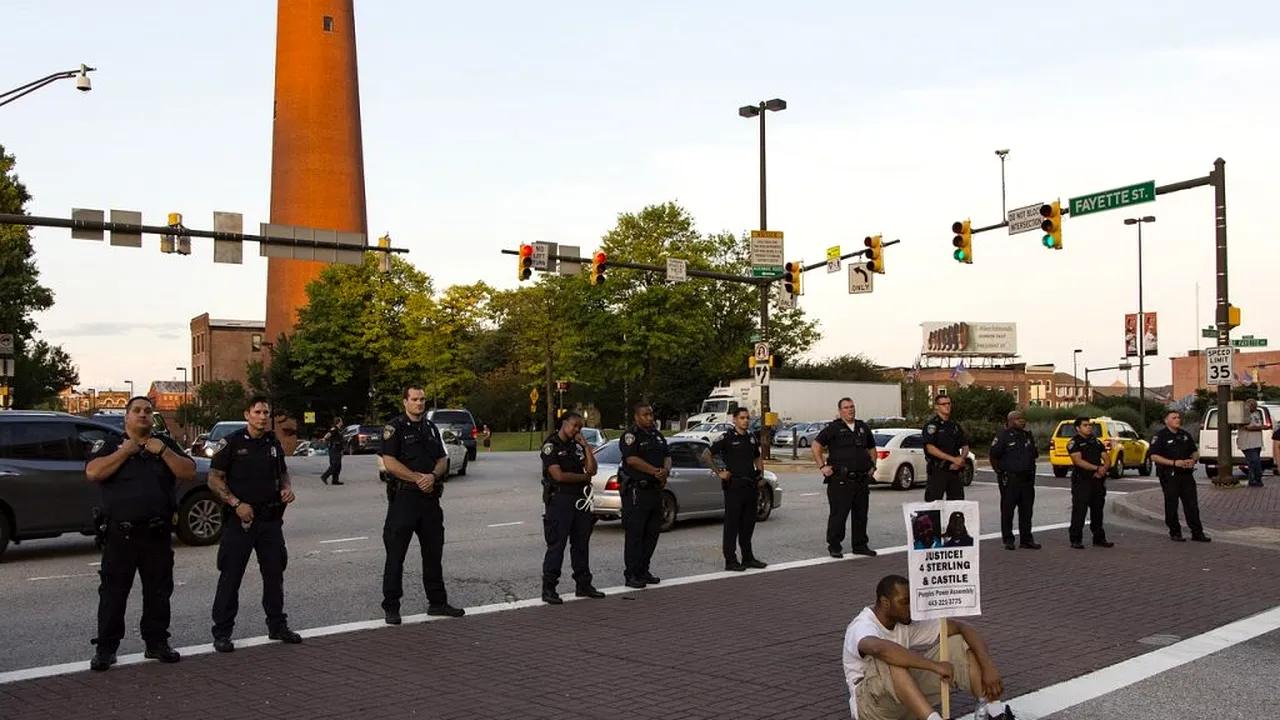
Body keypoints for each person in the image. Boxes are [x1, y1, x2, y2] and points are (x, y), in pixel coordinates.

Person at [85, 396, 194, 671]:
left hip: (156, 533)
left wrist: (163, 452)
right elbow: (93, 472)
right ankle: (106, 649)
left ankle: (156, 643)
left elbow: (189, 471)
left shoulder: (164, 444)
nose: (143, 414)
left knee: (158, 592)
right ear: (127, 417)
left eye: (148, 410)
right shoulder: (112, 445)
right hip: (120, 535)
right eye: (137, 410)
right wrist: (125, 452)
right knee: (113, 593)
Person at [843, 574, 1013, 720]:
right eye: (905, 602)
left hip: (901, 701)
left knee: (958, 643)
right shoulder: (862, 625)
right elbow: (880, 649)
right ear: (885, 602)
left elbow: (963, 627)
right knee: (892, 659)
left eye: (912, 601)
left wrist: (988, 666)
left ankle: (994, 711)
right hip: (870, 708)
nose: (911, 608)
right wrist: (934, 666)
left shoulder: (904, 622)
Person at [206, 396, 302, 652]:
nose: (262, 417)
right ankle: (222, 632)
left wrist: (286, 489)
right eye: (257, 412)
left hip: (270, 521)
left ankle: (277, 625)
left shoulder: (273, 443)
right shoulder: (232, 443)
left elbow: (282, 473)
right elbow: (214, 480)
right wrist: (236, 504)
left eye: (266, 412)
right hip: (241, 522)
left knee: (274, 574)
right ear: (247, 414)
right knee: (230, 576)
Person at [379, 386, 465, 624]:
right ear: (405, 401)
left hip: (429, 500)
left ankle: (437, 603)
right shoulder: (394, 428)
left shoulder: (430, 428)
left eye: (422, 399)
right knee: (396, 556)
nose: (419, 403)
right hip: (404, 499)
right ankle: (392, 606)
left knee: (433, 553)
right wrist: (418, 478)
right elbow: (389, 461)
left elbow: (442, 458)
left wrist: (433, 476)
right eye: (414, 399)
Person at [539, 411, 606, 604]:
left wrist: (585, 446)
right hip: (560, 501)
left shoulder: (577, 446)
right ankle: (549, 588)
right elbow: (558, 476)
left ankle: (583, 584)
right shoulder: (551, 446)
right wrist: (584, 478)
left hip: (580, 501)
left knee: (581, 545)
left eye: (580, 427)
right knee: (557, 545)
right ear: (564, 423)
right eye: (574, 425)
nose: (577, 429)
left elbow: (592, 469)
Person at [812, 397, 878, 558]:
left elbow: (872, 447)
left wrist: (873, 465)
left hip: (861, 479)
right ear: (840, 411)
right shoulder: (834, 428)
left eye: (852, 407)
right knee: (839, 515)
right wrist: (822, 466)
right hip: (841, 480)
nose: (850, 410)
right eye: (846, 407)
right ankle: (834, 545)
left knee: (861, 515)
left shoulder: (862, 427)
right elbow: (816, 445)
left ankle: (860, 545)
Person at [702, 407, 767, 571]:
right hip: (734, 486)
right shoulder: (727, 438)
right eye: (742, 418)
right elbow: (706, 454)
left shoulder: (751, 438)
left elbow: (757, 457)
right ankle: (730, 560)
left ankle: (748, 557)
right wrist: (719, 472)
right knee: (732, 525)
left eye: (747, 418)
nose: (745, 421)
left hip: (750, 486)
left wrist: (760, 475)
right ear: (735, 419)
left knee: (748, 524)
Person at [618, 402, 671, 588]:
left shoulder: (657, 435)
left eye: (651, 414)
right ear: (636, 417)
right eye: (646, 415)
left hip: (655, 491)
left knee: (652, 533)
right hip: (636, 491)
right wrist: (654, 471)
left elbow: (667, 455)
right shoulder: (631, 436)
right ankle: (631, 573)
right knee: (635, 534)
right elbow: (631, 459)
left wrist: (665, 470)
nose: (650, 418)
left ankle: (643, 569)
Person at [1149, 409, 1210, 542]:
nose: (1178, 419)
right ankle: (1175, 531)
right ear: (1166, 421)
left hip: (1187, 475)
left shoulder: (1185, 435)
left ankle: (1197, 532)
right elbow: (1154, 456)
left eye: (1178, 417)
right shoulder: (1160, 436)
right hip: (1170, 475)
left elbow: (1194, 451)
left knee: (1191, 504)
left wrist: (1192, 460)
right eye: (1174, 417)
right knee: (1172, 504)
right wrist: (1174, 463)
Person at [988, 410, 1040, 550]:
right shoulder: (1003, 436)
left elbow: (1034, 455)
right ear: (1010, 421)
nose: (1022, 421)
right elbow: (993, 456)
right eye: (1018, 419)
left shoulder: (1027, 436)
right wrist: (999, 472)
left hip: (1027, 479)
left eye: (1023, 419)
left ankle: (1026, 539)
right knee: (1008, 510)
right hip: (1010, 479)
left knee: (1026, 510)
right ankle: (1008, 539)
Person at [1066, 417, 1114, 550]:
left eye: (1090, 425)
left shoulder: (1096, 441)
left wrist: (1104, 469)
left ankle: (1099, 538)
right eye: (1085, 425)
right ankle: (1076, 539)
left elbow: (1106, 457)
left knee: (1098, 510)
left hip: (1097, 480)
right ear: (1078, 428)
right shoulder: (1074, 442)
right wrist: (1097, 468)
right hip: (1082, 480)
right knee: (1079, 510)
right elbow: (1078, 461)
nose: (1089, 427)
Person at [922, 395, 969, 501]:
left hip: (954, 471)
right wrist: (953, 459)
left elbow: (965, 446)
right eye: (943, 404)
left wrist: (961, 459)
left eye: (949, 403)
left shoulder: (954, 425)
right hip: (938, 470)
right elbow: (930, 448)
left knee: (957, 505)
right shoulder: (932, 426)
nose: (947, 406)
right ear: (936, 407)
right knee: (933, 505)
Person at [1236, 399, 1265, 487]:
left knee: (1254, 462)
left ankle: (1254, 480)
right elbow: (1248, 427)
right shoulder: (1243, 415)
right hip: (1247, 443)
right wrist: (1260, 427)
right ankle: (1255, 479)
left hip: (1257, 442)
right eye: (1252, 405)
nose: (1254, 407)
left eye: (1255, 405)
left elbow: (1258, 425)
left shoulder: (1256, 414)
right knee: (1254, 461)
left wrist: (1261, 427)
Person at [320, 416, 345, 485]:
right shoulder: (334, 429)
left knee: (338, 466)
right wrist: (325, 439)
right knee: (335, 465)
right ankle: (324, 476)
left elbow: (340, 441)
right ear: (339, 422)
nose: (342, 422)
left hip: (338, 449)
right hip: (334, 449)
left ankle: (335, 480)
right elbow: (328, 434)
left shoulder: (339, 429)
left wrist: (342, 450)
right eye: (341, 421)